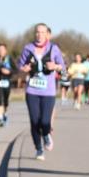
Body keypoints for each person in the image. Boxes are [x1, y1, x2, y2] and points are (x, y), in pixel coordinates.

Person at [19, 23, 64, 160]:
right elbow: (21, 65)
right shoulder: (28, 48)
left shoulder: (53, 49)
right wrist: (24, 68)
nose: (39, 35)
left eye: (42, 32)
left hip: (48, 91)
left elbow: (62, 66)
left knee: (45, 121)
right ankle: (39, 149)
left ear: (47, 34)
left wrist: (55, 66)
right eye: (37, 32)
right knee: (34, 121)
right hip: (32, 91)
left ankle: (46, 135)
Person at [0, 43, 14, 127]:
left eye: (2, 49)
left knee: (6, 101)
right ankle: (0, 118)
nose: (1, 51)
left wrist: (9, 71)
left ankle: (5, 114)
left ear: (5, 50)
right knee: (0, 100)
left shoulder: (9, 59)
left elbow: (16, 70)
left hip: (8, 82)